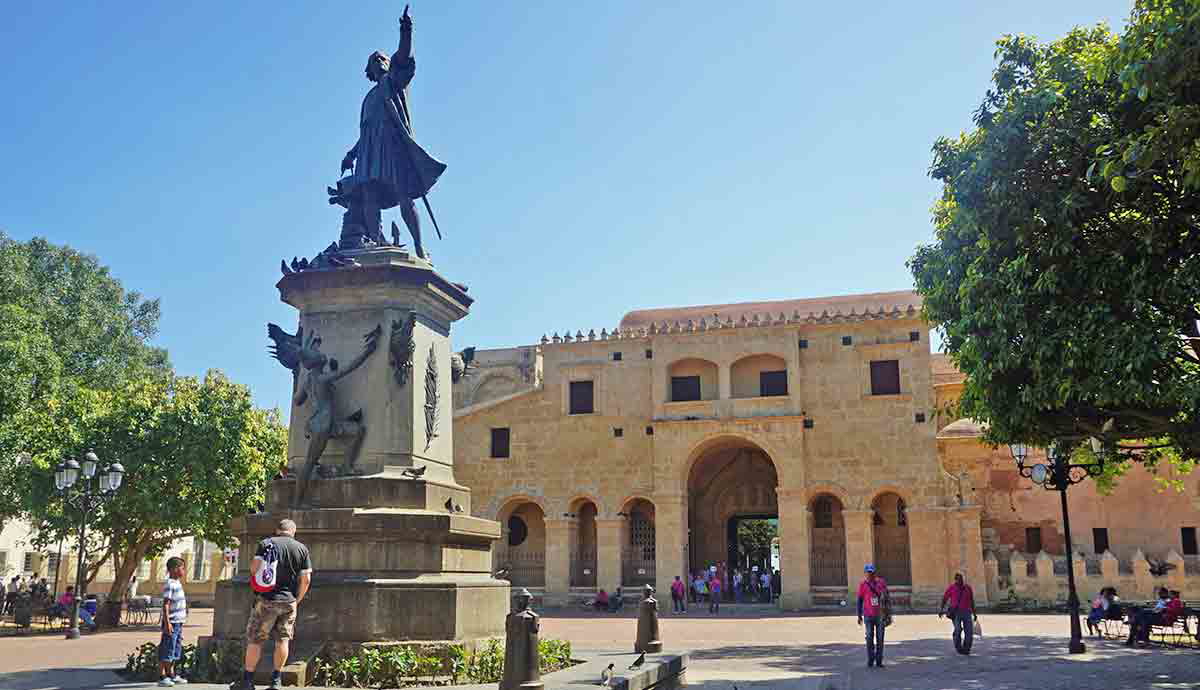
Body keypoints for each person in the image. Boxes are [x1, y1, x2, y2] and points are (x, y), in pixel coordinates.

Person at [233, 519, 312, 690]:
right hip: (289, 601)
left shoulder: (266, 543)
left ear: (277, 530)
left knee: (256, 640)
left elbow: (254, 568)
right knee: (282, 640)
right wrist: (296, 600)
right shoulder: (301, 548)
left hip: (267, 599)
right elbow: (306, 579)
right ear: (293, 532)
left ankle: (247, 681)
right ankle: (276, 681)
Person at [158, 556, 188, 686]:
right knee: (167, 648)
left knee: (175, 649)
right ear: (175, 569)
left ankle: (172, 674)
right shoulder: (170, 584)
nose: (184, 571)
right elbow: (166, 605)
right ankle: (162, 676)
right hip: (172, 622)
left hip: (179, 622)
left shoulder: (177, 583)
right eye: (182, 568)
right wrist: (167, 623)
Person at [857, 564, 889, 668]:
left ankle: (879, 660)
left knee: (880, 638)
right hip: (868, 615)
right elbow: (859, 600)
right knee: (869, 637)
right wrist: (859, 615)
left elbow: (887, 598)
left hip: (880, 615)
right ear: (865, 573)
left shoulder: (881, 582)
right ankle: (870, 658)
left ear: (875, 573)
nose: (870, 574)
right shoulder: (863, 584)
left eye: (872, 572)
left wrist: (887, 613)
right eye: (868, 572)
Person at [938, 573, 977, 655]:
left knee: (969, 631)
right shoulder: (952, 588)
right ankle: (958, 647)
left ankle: (966, 649)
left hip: (967, 612)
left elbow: (971, 601)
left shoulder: (968, 588)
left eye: (961, 579)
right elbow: (945, 598)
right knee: (958, 629)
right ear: (955, 580)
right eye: (958, 579)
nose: (960, 581)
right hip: (956, 613)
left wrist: (974, 613)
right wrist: (941, 610)